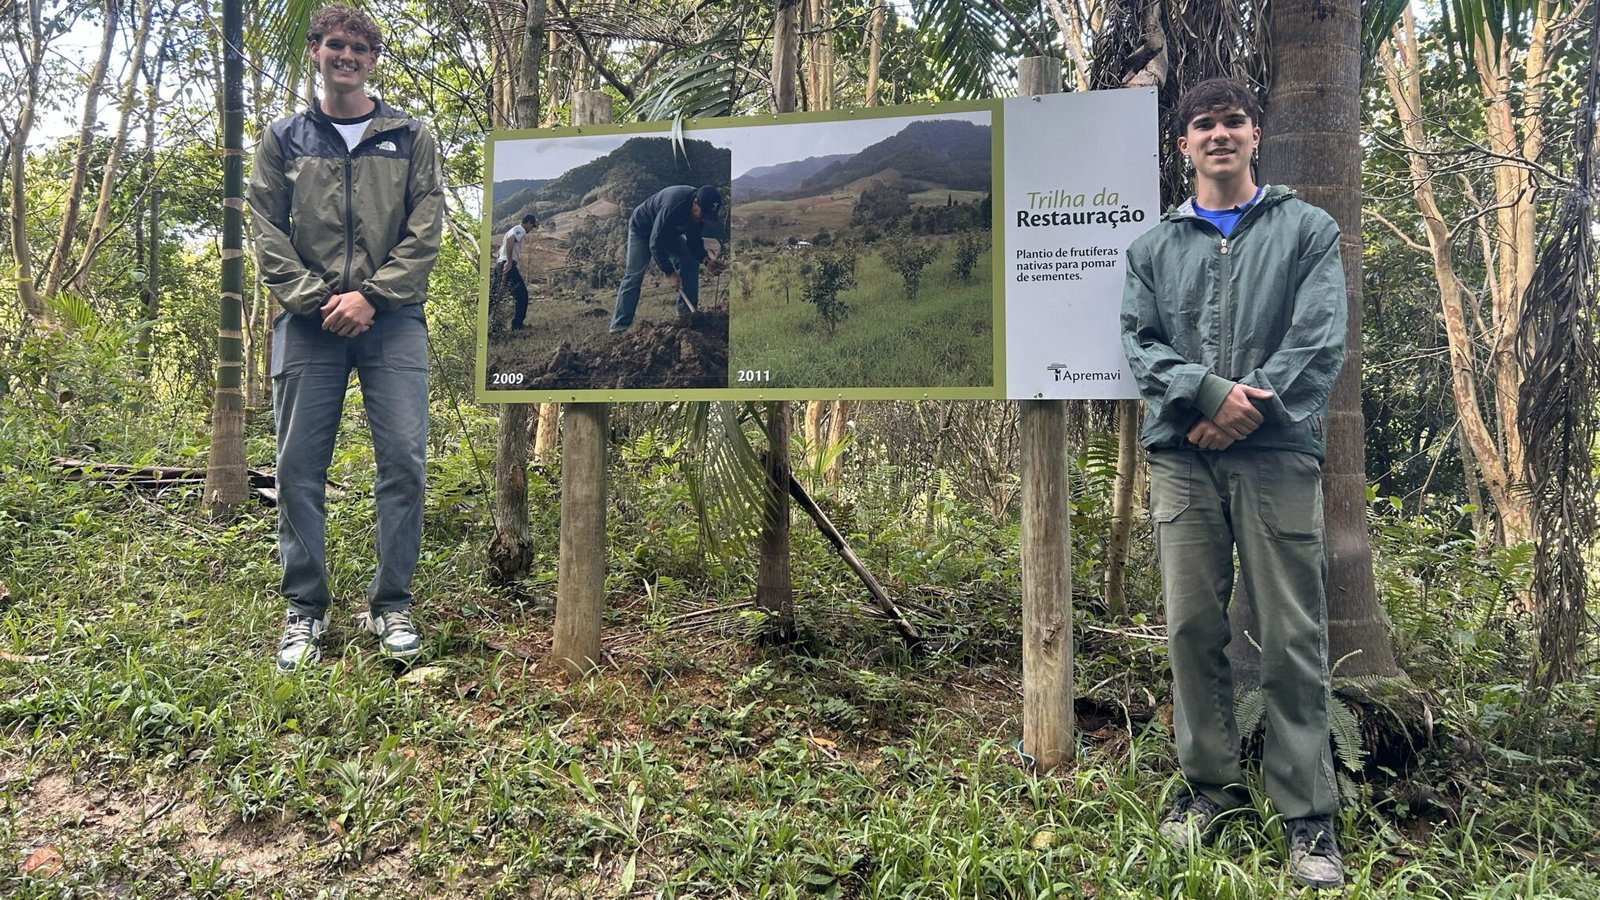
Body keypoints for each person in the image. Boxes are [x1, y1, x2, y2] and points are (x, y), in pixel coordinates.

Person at [1120, 77, 1348, 890]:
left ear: (1257, 136)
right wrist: (1209, 399)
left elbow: (1318, 340)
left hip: (1277, 453)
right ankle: (1210, 790)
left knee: (1291, 633)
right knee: (1190, 626)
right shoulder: (1153, 248)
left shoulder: (1306, 230)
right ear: (1183, 144)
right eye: (1204, 124)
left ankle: (1307, 817)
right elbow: (1141, 347)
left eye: (1234, 122)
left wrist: (1244, 410)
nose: (1219, 134)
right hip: (1183, 456)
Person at [249, 3, 443, 672]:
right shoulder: (284, 139)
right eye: (335, 44)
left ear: (373, 58)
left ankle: (392, 604)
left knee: (405, 463)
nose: (346, 56)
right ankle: (304, 611)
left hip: (393, 323)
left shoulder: (410, 136)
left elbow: (426, 225)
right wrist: (317, 299)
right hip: (307, 325)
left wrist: (374, 295)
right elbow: (266, 231)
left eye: (359, 47)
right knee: (298, 468)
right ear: (316, 51)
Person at [609, 184, 727, 334]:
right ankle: (618, 328)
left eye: (707, 217)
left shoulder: (699, 217)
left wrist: (705, 260)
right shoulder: (674, 205)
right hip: (642, 230)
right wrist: (670, 273)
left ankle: (687, 316)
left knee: (690, 260)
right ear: (695, 202)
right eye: (702, 214)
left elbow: (694, 241)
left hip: (668, 235)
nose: (703, 219)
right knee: (634, 276)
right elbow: (654, 242)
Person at [497, 213, 537, 330]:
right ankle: (517, 326)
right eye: (532, 226)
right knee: (522, 296)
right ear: (529, 222)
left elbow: (504, 246)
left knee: (494, 297)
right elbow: (510, 240)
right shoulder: (520, 229)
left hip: (500, 264)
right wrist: (509, 261)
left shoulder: (511, 229)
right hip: (508, 265)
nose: (531, 229)